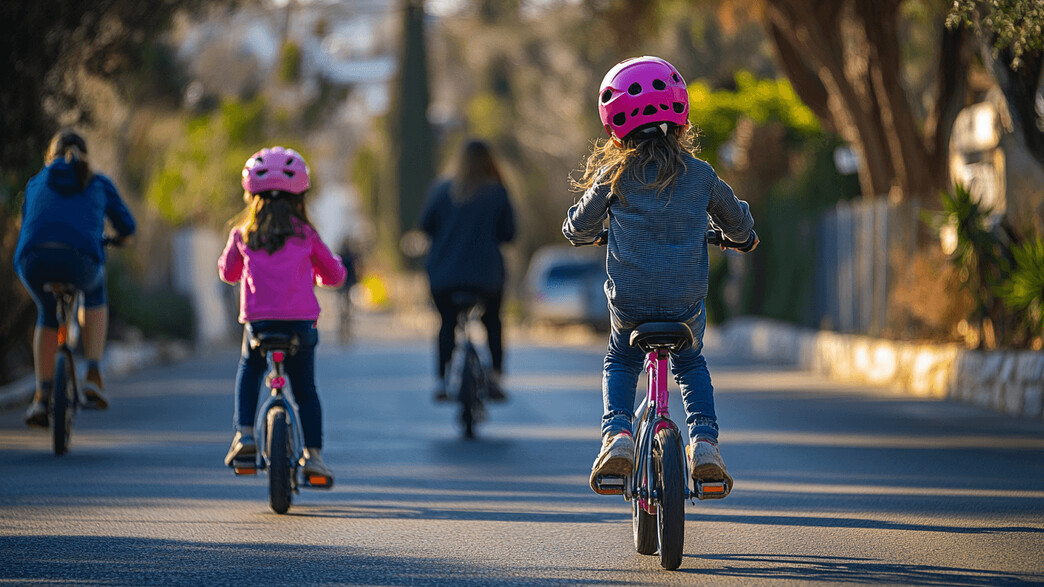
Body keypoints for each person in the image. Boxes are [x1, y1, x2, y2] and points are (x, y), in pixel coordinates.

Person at [562, 56, 758, 496]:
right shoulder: (701, 175)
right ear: (681, 117)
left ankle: (617, 435)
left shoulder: (615, 175)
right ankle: (704, 443)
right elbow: (741, 228)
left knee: (621, 358)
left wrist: (595, 226)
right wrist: (739, 235)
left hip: (630, 305)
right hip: (683, 305)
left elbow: (576, 227)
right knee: (690, 362)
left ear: (615, 128)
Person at [218, 146, 346, 483]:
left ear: (251, 196)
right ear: (300, 196)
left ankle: (244, 435)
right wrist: (321, 274)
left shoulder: (243, 235)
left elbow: (228, 273)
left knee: (249, 368)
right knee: (305, 391)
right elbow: (335, 276)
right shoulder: (306, 235)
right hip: (300, 326)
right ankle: (314, 458)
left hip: (260, 326)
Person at [15, 129, 136, 428]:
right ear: (86, 156)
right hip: (80, 258)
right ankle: (93, 373)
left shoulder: (35, 183)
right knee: (94, 291)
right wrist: (119, 238)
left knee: (46, 312)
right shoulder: (96, 181)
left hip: (33, 259)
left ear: (49, 156)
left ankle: (41, 398)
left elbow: (28, 223)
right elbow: (128, 227)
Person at [421, 139, 516, 403]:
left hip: (444, 277)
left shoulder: (441, 190)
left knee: (447, 323)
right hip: (486, 278)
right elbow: (509, 233)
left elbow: (426, 225)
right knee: (493, 320)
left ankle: (442, 380)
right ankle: (496, 376)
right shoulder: (497, 192)